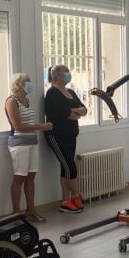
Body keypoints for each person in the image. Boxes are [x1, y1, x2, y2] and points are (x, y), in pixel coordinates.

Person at [4, 73, 52, 222]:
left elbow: (29, 123)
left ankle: (31, 209)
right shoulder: (11, 101)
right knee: (19, 177)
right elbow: (18, 126)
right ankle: (16, 213)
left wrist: (38, 127)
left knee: (31, 177)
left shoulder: (28, 100)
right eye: (26, 82)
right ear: (18, 85)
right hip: (19, 143)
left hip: (32, 142)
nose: (30, 84)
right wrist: (41, 126)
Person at [44, 65, 87, 214]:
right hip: (57, 136)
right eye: (66, 71)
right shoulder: (52, 93)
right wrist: (76, 112)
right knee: (70, 166)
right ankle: (75, 196)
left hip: (71, 135)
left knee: (65, 168)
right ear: (57, 75)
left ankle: (65, 202)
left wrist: (77, 111)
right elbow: (67, 114)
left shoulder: (71, 92)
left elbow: (84, 109)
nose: (69, 74)